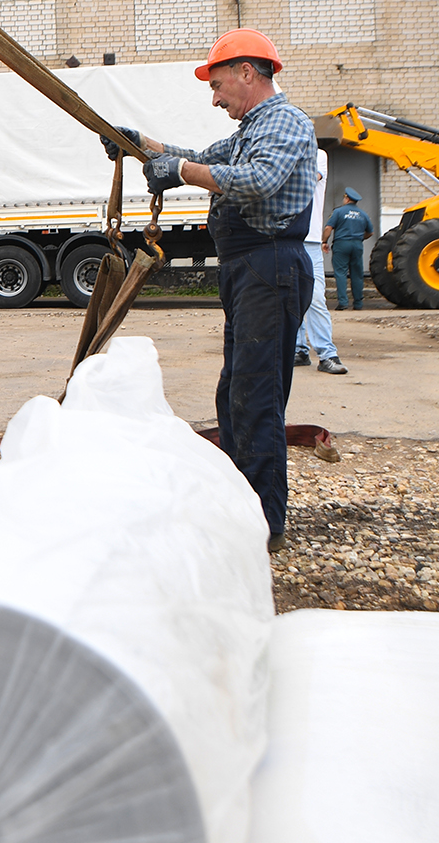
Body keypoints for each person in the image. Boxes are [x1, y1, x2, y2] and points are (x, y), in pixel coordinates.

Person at [102, 28, 316, 553]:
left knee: (257, 396)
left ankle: (264, 524)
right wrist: (139, 144)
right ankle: (241, 502)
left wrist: (178, 171)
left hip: (270, 264)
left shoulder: (286, 121)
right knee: (236, 393)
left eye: (218, 85)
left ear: (248, 73)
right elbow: (195, 155)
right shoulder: (248, 129)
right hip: (249, 268)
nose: (216, 98)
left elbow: (259, 181)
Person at [295, 150, 347, 374]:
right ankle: (299, 350)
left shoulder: (318, 155)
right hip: (286, 238)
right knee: (291, 298)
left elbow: (305, 180)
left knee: (315, 297)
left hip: (311, 241)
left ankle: (327, 354)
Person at [325, 186, 373, 310]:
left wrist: (324, 241)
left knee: (340, 273)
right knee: (357, 274)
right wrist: (360, 238)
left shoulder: (338, 212)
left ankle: (343, 303)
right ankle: (358, 303)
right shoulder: (363, 214)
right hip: (357, 245)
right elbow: (370, 232)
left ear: (346, 198)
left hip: (342, 244)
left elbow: (328, 228)